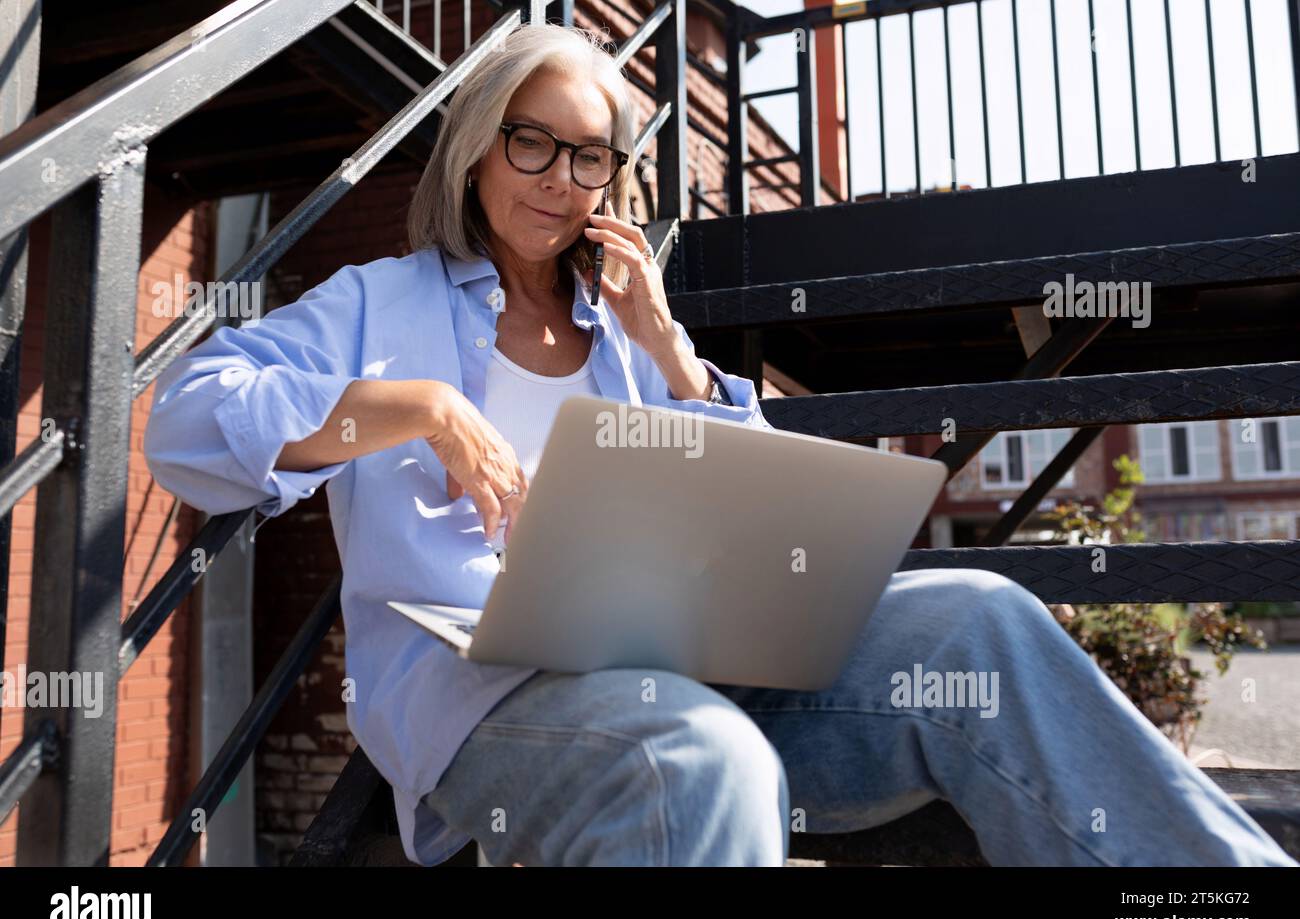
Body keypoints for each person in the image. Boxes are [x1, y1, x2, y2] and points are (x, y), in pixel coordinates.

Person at [144, 23, 1297, 867]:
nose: (560, 179)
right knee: (700, 759)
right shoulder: (376, 301)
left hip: (693, 666)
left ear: (616, 179)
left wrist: (671, 349)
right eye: (532, 146)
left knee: (980, 616)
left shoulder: (631, 324)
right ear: (478, 154)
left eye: (590, 155)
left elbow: (754, 516)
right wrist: (412, 409)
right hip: (491, 701)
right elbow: (187, 422)